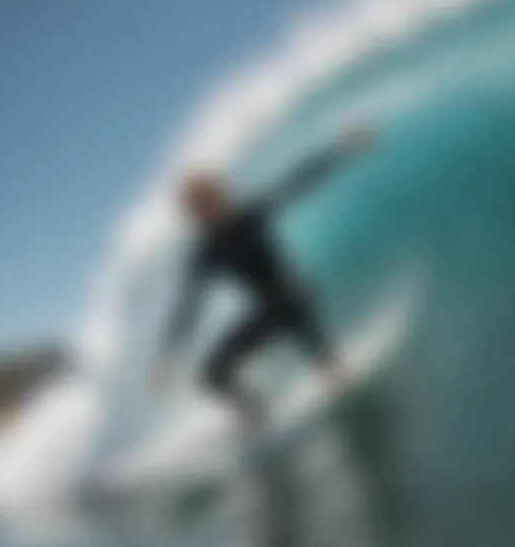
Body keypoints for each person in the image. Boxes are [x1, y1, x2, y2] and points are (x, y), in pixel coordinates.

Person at [154, 123, 376, 432]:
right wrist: (169, 354)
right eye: (196, 210)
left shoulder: (249, 215)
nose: (205, 213)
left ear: (219, 195)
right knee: (212, 375)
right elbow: (188, 306)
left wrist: (341, 149)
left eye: (209, 201)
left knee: (336, 378)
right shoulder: (206, 251)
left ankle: (334, 373)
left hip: (294, 298)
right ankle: (257, 413)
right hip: (268, 312)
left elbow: (296, 182)